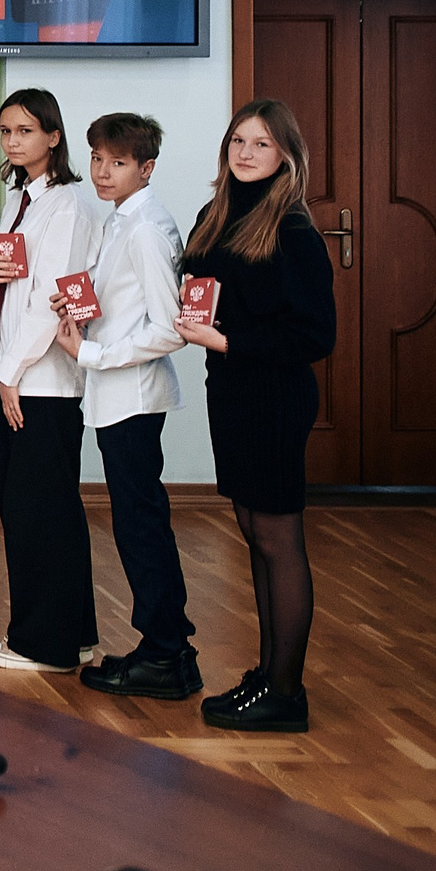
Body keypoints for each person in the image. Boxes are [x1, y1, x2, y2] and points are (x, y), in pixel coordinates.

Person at [179, 100, 335, 733]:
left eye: (262, 144)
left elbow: (314, 335)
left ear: (286, 157)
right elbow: (202, 287)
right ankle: (267, 675)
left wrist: (225, 340)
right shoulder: (216, 214)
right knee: (253, 531)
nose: (246, 154)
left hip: (274, 396)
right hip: (231, 391)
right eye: (238, 141)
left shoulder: (293, 230)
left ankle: (286, 693)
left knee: (278, 538)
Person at [59, 112, 198, 700]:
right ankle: (166, 647)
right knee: (139, 522)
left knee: (141, 527)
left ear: (147, 168)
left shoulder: (144, 229)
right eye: (97, 159)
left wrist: (90, 353)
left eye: (117, 162)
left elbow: (171, 329)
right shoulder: (121, 219)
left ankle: (165, 653)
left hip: (133, 397)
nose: (102, 171)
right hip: (117, 396)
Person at [0, 87, 101, 674]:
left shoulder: (67, 204)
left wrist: (9, 373)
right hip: (15, 371)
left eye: (25, 130)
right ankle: (74, 635)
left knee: (38, 513)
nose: (13, 141)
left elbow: (52, 302)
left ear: (54, 136)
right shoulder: (21, 198)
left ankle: (41, 645)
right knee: (44, 508)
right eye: (6, 131)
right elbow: (17, 286)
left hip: (38, 382)